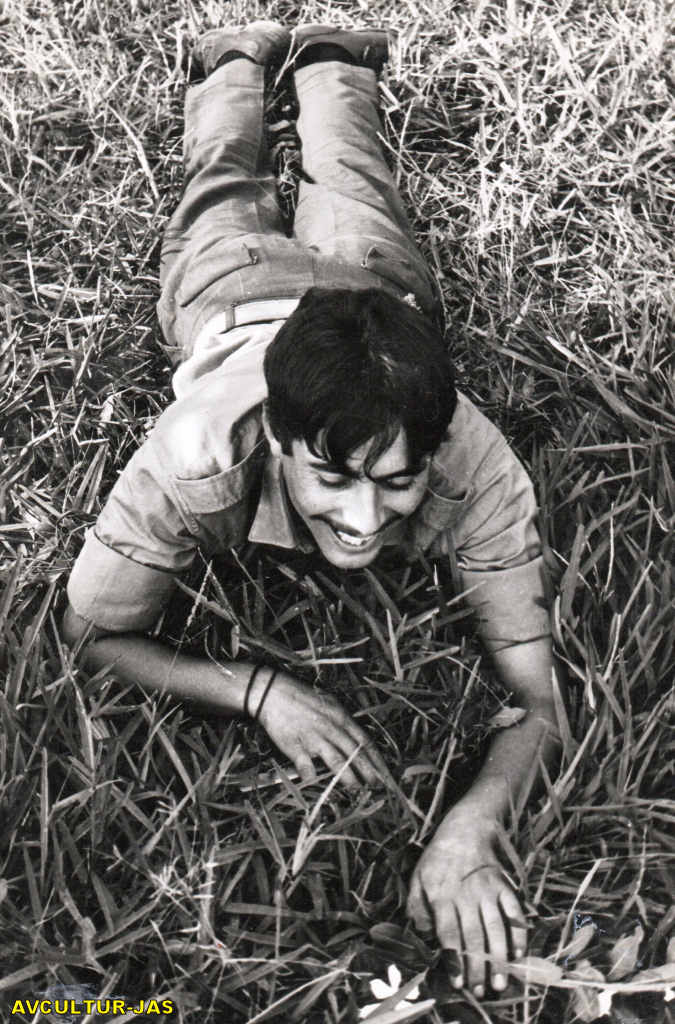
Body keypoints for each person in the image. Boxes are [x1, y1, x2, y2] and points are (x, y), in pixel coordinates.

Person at [62, 21, 561, 1000]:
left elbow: (537, 696)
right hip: (233, 288)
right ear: (278, 443)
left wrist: (472, 823)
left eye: (397, 480)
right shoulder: (199, 455)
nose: (367, 519)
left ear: (435, 450)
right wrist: (256, 690)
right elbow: (87, 634)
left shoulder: (477, 466)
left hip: (373, 294)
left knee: (355, 181)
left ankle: (336, 60)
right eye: (333, 479)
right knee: (223, 183)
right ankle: (233, 58)